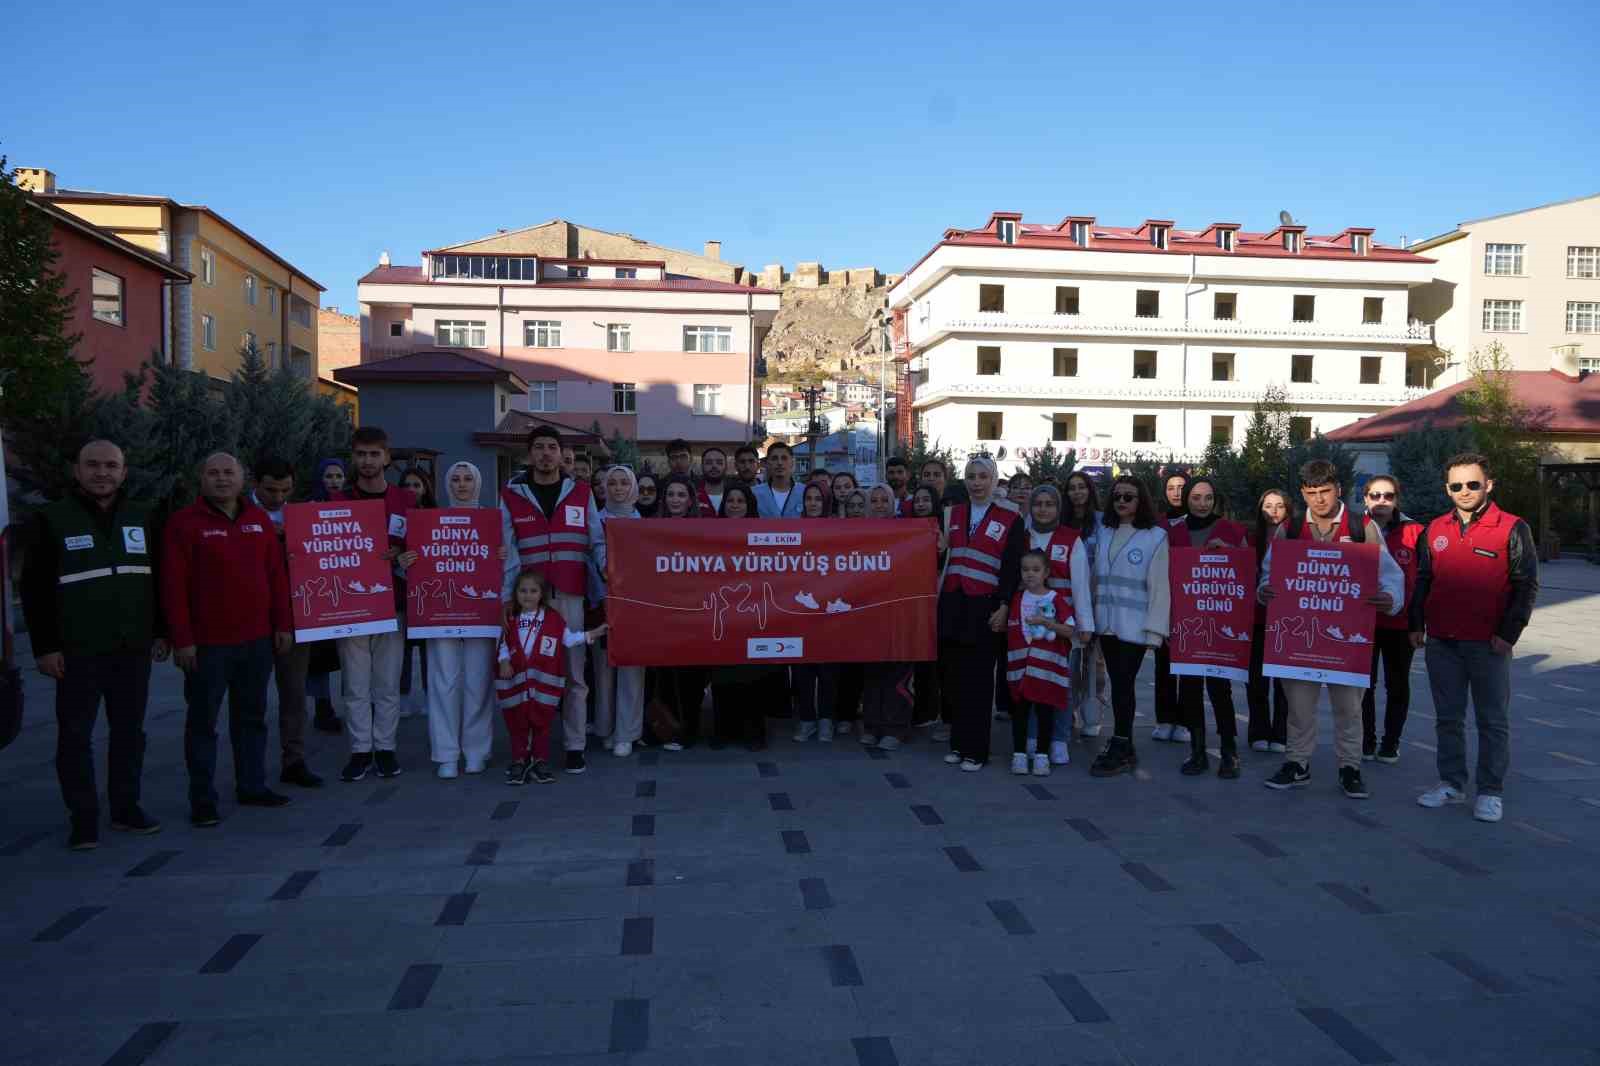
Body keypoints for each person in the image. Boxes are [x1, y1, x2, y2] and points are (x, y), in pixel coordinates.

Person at [21, 440, 168, 849]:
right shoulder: (52, 519)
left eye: (110, 466)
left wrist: (161, 631)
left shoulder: (142, 515)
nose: (101, 473)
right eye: (92, 465)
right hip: (76, 650)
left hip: (131, 646)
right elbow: (33, 589)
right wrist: (45, 647)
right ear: (77, 470)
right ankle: (83, 817)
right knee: (74, 736)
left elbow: (157, 578)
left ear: (123, 472)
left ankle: (125, 808)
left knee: (129, 733)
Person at [1258, 459, 1403, 800]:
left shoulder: (1361, 526)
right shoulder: (1290, 529)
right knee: (1299, 706)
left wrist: (1390, 596)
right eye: (1311, 493)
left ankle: (1349, 767)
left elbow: (1391, 575)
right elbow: (1269, 572)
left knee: (1349, 708)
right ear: (1303, 493)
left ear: (1338, 488)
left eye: (1325, 492)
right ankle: (1297, 763)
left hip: (1346, 637)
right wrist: (1264, 589)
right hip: (1300, 637)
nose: (1319, 500)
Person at [162, 452, 293, 827]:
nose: (222, 479)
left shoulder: (259, 522)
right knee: (203, 721)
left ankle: (252, 785)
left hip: (256, 640)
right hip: (207, 644)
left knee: (252, 717)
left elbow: (276, 577)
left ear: (242, 479)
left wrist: (282, 624)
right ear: (201, 479)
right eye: (213, 473)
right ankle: (202, 798)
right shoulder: (183, 524)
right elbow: (173, 587)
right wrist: (182, 639)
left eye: (228, 473)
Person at [1411, 453, 1538, 824]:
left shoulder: (1513, 528)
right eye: (1456, 486)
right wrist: (1415, 624)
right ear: (1447, 489)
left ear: (1488, 485)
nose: (1464, 491)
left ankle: (1490, 791)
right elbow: (1422, 581)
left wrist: (1508, 633)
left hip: (1488, 644)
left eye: (1472, 484)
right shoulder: (1434, 530)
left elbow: (1525, 585)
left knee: (1492, 720)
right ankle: (1451, 783)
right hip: (1442, 643)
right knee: (1447, 719)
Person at [500, 425, 607, 775]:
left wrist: (609, 571)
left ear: (561, 454)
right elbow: (507, 549)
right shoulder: (511, 494)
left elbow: (597, 541)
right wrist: (508, 597)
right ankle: (529, 746)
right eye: (539, 448)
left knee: (575, 676)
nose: (546, 454)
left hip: (572, 595)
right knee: (528, 676)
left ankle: (574, 745)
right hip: (530, 601)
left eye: (552, 447)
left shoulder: (580, 491)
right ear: (529, 454)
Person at [336, 426, 414, 783]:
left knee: (386, 683)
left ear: (386, 456)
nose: (367, 461)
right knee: (355, 684)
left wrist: (403, 554)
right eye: (361, 454)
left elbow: (422, 548)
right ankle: (359, 750)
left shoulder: (405, 501)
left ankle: (384, 748)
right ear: (353, 457)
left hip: (393, 604)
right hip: (351, 607)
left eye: (374, 454)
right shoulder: (337, 503)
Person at [939, 456, 1026, 772]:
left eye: (982, 477)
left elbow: (1012, 566)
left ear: (993, 480)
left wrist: (1004, 606)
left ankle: (976, 750)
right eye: (971, 476)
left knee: (978, 682)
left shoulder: (1010, 516)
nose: (976, 482)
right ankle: (958, 745)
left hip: (986, 606)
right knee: (955, 680)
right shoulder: (952, 513)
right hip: (952, 603)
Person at [1088, 476, 1171, 777]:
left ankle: (1121, 743)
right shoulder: (1105, 531)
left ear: (1141, 501)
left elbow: (1160, 587)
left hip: (1135, 627)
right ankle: (1125, 744)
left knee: (1123, 685)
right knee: (1118, 683)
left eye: (1129, 497)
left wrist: (1155, 631)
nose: (1122, 501)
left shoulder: (1155, 537)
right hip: (1106, 623)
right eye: (1118, 496)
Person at [1168, 476, 1249, 779]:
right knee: (1189, 690)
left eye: (1208, 498)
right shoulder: (1172, 531)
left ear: (1216, 500)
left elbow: (1247, 570)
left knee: (1220, 689)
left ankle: (1229, 752)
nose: (1202, 503)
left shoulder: (1232, 530)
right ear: (1186, 498)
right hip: (1186, 622)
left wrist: (1229, 551)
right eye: (1196, 497)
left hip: (1221, 622)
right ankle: (1198, 751)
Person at [250, 457, 323, 788]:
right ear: (254, 483)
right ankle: (249, 768)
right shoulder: (241, 515)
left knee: (294, 695)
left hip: (295, 617)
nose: (278, 497)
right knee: (250, 697)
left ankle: (293, 760)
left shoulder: (302, 517)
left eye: (285, 490)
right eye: (270, 490)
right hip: (251, 620)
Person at [425, 461, 500, 779]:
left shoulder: (492, 520)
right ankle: (445, 753)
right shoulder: (431, 522)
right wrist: (410, 559)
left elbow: (506, 557)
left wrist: (503, 555)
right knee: (443, 681)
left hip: (480, 611)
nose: (462, 484)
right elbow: (420, 560)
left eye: (468, 478)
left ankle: (476, 750)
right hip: (440, 612)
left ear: (478, 483)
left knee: (477, 681)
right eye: (455, 479)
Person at [497, 569, 606, 785]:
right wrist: (504, 661)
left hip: (542, 686)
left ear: (542, 594)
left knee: (542, 724)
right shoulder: (511, 617)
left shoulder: (553, 619)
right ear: (516, 593)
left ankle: (540, 761)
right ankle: (519, 760)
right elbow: (503, 643)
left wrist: (590, 635)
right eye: (522, 591)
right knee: (518, 723)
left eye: (533, 591)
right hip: (516, 683)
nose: (527, 595)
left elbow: (567, 639)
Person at [1021, 484, 1094, 765]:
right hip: (1028, 624)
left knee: (1062, 683)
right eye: (1038, 503)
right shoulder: (1023, 538)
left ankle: (1059, 739)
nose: (1043, 509)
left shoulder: (1071, 539)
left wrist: (1085, 625)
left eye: (1049, 503)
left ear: (1058, 507)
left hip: (1063, 627)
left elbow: (1081, 585)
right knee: (1031, 681)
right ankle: (1030, 736)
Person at [1357, 475, 1424, 764]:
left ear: (1397, 499)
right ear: (1365, 499)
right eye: (1375, 495)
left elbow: (1425, 582)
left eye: (1388, 496)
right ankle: (1366, 741)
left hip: (1401, 625)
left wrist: (1419, 623)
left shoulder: (1416, 532)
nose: (1381, 501)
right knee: (1363, 686)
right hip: (1362, 624)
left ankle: (1391, 742)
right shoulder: (1354, 529)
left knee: (1397, 685)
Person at [1007, 549, 1089, 776]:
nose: (1029, 575)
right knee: (1020, 714)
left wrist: (1047, 623)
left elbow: (1069, 629)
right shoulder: (1016, 598)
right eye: (1025, 570)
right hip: (1020, 670)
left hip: (1046, 671)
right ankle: (1019, 754)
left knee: (1045, 713)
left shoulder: (1055, 599)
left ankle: (1042, 755)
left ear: (1046, 573)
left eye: (1035, 570)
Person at [709, 485, 779, 750]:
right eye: (731, 500)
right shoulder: (707, 534)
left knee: (752, 676)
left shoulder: (763, 533)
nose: (735, 505)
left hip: (752, 613)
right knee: (723, 677)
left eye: (740, 500)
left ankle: (754, 731)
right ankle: (723, 731)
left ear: (749, 504)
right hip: (723, 612)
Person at [592, 465, 646, 757]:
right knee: (603, 671)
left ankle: (627, 732)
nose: (617, 487)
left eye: (624, 482)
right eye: (611, 482)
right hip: (602, 602)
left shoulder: (646, 523)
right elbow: (594, 554)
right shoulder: (594, 521)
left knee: (632, 670)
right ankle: (606, 728)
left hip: (635, 606)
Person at [652, 475, 710, 749]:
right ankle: (666, 728)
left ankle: (689, 731)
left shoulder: (702, 532)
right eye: (671, 494)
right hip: (663, 614)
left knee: (692, 677)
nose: (675, 499)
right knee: (665, 675)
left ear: (690, 501)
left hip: (695, 613)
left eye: (681, 495)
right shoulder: (650, 531)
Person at [790, 482, 840, 742]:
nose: (812, 503)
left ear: (825, 502)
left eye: (817, 499)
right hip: (802, 609)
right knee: (803, 670)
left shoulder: (836, 531)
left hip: (829, 609)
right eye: (808, 498)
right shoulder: (793, 530)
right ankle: (807, 719)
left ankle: (826, 721)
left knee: (828, 670)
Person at [1061, 471, 1108, 741]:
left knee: (1094, 660)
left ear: (1090, 490)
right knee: (1070, 658)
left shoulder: (1102, 522)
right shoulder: (1061, 522)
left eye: (1082, 487)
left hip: (1096, 597)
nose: (1077, 492)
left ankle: (1093, 711)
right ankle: (1070, 709)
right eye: (1072, 488)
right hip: (1066, 597)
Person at [1246, 489, 1291, 753]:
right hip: (1256, 619)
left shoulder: (1297, 535)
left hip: (1286, 620)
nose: (1273, 511)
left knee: (1284, 682)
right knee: (1256, 680)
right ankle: (1258, 731)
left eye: (1279, 506)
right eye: (1268, 505)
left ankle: (1282, 733)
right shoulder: (1251, 538)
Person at [1151, 470, 1191, 745]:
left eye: (1181, 487)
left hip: (1192, 603)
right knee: (1163, 664)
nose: (1176, 492)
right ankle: (1164, 719)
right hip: (1164, 602)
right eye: (1171, 487)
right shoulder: (1157, 525)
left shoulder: (1202, 524)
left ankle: (1186, 721)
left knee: (1188, 665)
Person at [306, 459, 346, 734]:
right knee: (319, 658)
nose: (334, 481)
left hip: (348, 591)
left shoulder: (353, 506)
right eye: (329, 476)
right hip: (319, 592)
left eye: (339, 476)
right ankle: (323, 707)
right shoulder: (307, 508)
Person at [397, 467, 437, 718]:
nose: (411, 490)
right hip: (402, 590)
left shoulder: (435, 516)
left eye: (417, 485)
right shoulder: (393, 517)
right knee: (401, 650)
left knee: (427, 651)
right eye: (407, 485)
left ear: (426, 489)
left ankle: (431, 697)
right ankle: (402, 698)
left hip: (428, 593)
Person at [907, 484, 946, 736]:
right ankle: (918, 708)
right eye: (917, 500)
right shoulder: (905, 531)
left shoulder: (943, 532)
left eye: (926, 500)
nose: (921, 504)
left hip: (937, 601)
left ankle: (932, 711)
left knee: (933, 660)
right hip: (912, 603)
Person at [753, 442, 803, 517]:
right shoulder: (754, 493)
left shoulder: (804, 492)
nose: (779, 463)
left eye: (784, 458)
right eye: (774, 458)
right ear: (767, 463)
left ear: (792, 463)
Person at [696, 446, 730, 516]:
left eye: (719, 462)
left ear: (726, 466)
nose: (714, 466)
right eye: (709, 462)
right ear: (702, 466)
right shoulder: (693, 495)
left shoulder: (736, 494)